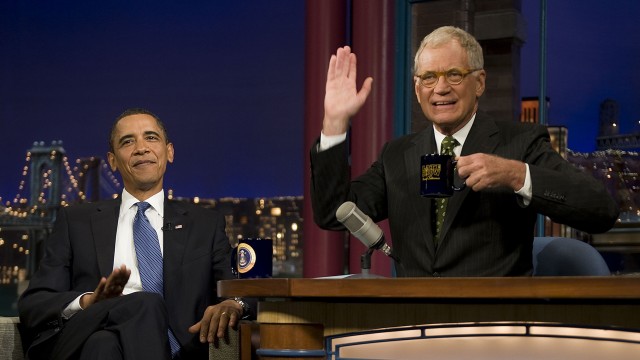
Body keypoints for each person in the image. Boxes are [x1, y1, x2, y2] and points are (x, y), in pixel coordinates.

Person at [310, 26, 619, 277]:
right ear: (417, 89)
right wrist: (335, 123)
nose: (440, 88)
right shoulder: (397, 154)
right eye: (429, 77)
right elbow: (333, 213)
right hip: (411, 326)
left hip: (491, 328)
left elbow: (601, 210)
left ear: (479, 82)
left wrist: (515, 175)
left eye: (454, 74)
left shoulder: (520, 142)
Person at [18, 108, 250, 359]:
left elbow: (241, 290)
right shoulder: (76, 221)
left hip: (167, 347)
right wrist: (88, 302)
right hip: (81, 333)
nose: (141, 148)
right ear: (112, 160)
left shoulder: (205, 223)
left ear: (169, 152)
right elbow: (34, 304)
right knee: (145, 303)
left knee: (103, 345)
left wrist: (234, 303)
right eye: (128, 141)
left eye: (151, 138)